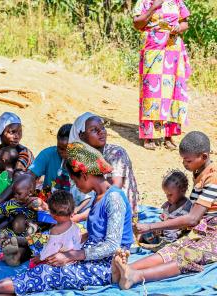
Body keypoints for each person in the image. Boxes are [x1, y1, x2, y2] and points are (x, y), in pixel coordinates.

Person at [0, 143, 133, 296]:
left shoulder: (114, 198)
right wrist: (66, 250)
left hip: (106, 266)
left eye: (75, 180)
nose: (75, 185)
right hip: (91, 257)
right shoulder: (99, 196)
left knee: (48, 273)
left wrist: (73, 254)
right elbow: (94, 236)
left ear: (84, 175)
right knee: (43, 264)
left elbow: (112, 245)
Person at [115, 131, 217, 290]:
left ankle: (135, 275)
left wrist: (150, 227)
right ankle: (125, 269)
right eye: (183, 159)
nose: (185, 164)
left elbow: (193, 219)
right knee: (173, 248)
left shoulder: (213, 177)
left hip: (212, 232)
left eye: (188, 160)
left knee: (187, 256)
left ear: (204, 157)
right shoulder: (199, 171)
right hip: (204, 228)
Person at [133, 0, 191, 150]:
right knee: (151, 92)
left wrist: (179, 28)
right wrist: (154, 7)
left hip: (173, 49)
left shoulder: (177, 1)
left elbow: (185, 23)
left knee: (173, 92)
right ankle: (149, 135)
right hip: (153, 49)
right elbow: (137, 24)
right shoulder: (145, 2)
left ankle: (168, 135)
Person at [69, 112, 139, 217]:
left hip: (119, 211)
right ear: (81, 136)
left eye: (102, 128)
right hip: (97, 208)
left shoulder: (116, 153)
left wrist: (81, 216)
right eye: (93, 130)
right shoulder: (84, 157)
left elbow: (114, 189)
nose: (101, 132)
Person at [29, 123, 93, 219]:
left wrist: (77, 210)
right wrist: (35, 198)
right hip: (51, 204)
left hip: (75, 210)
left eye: (66, 149)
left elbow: (88, 196)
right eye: (60, 148)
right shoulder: (49, 154)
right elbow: (31, 176)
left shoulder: (85, 163)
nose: (62, 152)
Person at [0, 112, 34, 204]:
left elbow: (17, 181)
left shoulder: (24, 153)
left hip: (21, 196)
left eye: (20, 132)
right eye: (12, 132)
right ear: (1, 131)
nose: (17, 136)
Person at [28, 190, 82, 267]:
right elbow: (77, 244)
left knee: (33, 264)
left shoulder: (56, 230)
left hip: (60, 262)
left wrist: (40, 258)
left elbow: (50, 250)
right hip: (73, 259)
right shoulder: (75, 226)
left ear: (52, 214)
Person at [140, 169, 192, 250]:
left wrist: (167, 222)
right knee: (146, 227)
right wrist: (160, 223)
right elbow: (162, 216)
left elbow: (184, 223)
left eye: (170, 194)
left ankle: (166, 246)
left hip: (176, 237)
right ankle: (144, 240)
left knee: (169, 231)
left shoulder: (187, 206)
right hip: (162, 234)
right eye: (166, 194)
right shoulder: (168, 204)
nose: (168, 197)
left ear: (183, 190)